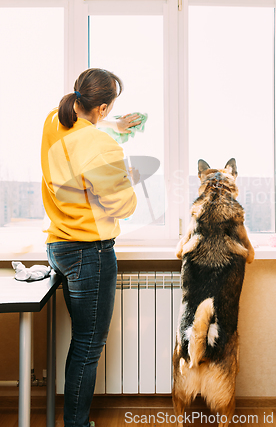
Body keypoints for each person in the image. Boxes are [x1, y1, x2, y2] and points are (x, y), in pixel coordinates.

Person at [41, 68, 138, 427]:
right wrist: (126, 172)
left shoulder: (54, 121)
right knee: (87, 346)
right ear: (103, 108)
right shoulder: (101, 147)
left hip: (59, 245)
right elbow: (124, 206)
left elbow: (80, 134)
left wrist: (114, 129)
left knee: (81, 342)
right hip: (89, 252)